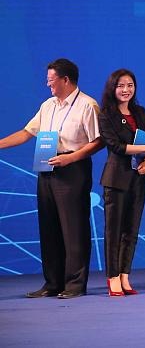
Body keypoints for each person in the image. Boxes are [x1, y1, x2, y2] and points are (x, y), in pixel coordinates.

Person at [0, 58, 102, 299]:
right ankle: (52, 283)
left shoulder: (87, 105)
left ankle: (75, 284)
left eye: (51, 80)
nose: (48, 85)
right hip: (45, 166)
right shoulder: (47, 105)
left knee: (73, 227)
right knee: (49, 227)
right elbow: (27, 133)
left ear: (66, 80)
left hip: (72, 168)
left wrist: (71, 158)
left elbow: (98, 141)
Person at [98, 69, 145, 296]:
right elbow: (115, 146)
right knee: (114, 230)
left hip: (138, 178)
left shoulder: (140, 111)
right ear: (112, 88)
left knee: (132, 230)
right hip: (116, 179)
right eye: (121, 86)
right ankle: (113, 277)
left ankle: (125, 275)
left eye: (130, 85)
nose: (126, 90)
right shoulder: (106, 114)